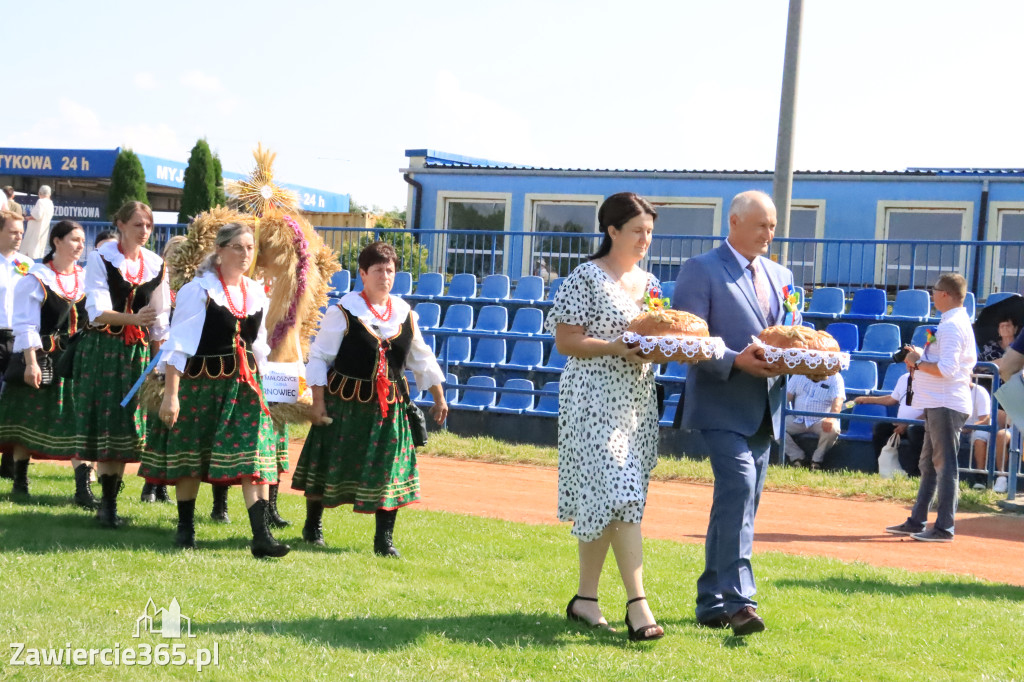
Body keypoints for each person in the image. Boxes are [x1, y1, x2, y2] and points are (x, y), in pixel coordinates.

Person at [673, 190, 799, 636]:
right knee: (740, 488)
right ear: (735, 222)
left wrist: (803, 360)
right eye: (762, 225)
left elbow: (789, 334)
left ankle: (711, 602)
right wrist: (734, 359)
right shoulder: (701, 269)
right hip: (719, 402)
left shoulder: (781, 274)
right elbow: (689, 340)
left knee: (741, 503)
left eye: (773, 225)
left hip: (766, 408)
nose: (770, 233)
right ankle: (740, 600)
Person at [546, 192, 664, 642]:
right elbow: (566, 341)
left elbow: (656, 334)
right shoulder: (585, 277)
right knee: (623, 491)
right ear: (612, 230)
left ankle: (585, 600)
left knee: (606, 499)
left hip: (636, 402)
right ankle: (639, 605)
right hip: (592, 399)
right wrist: (616, 346)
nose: (645, 239)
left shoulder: (650, 283)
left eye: (649, 232)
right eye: (637, 231)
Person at [139, 223, 290, 559]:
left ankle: (261, 537)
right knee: (192, 457)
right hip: (203, 387)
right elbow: (178, 347)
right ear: (219, 251)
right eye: (237, 247)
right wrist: (171, 395)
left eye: (250, 248)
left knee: (255, 457)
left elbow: (259, 347)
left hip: (247, 389)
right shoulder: (199, 290)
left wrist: (269, 389)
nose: (245, 254)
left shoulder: (254, 291)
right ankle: (185, 528)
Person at [292, 241, 447, 557]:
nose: (385, 276)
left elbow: (422, 358)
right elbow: (319, 358)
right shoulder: (343, 312)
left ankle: (384, 541)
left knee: (389, 469)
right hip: (343, 404)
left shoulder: (405, 313)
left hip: (390, 408)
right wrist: (317, 402)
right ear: (362, 273)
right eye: (378, 270)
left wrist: (439, 397)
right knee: (329, 462)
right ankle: (313, 526)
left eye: (390, 270)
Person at [71, 201, 170, 528]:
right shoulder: (101, 258)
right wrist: (133, 318)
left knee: (129, 426)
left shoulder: (156, 264)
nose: (144, 231)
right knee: (109, 423)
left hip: (137, 354)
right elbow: (96, 311)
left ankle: (110, 503)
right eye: (138, 225)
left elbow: (159, 319)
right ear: (121, 225)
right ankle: (108, 506)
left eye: (149, 226)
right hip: (105, 349)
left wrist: (160, 362)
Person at [0, 220, 96, 507]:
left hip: (76, 360)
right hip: (43, 357)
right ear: (56, 241)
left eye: (82, 240)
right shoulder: (36, 277)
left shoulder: (85, 278)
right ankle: (20, 480)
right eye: (74, 239)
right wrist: (31, 363)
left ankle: (83, 490)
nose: (80, 245)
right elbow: (26, 325)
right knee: (27, 419)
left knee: (80, 420)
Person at [885, 273, 977, 542]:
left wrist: (917, 362)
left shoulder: (951, 326)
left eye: (935, 290)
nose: (932, 294)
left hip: (946, 404)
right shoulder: (949, 322)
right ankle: (917, 520)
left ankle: (943, 527)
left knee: (944, 465)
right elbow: (941, 360)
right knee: (928, 463)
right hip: (938, 403)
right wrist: (919, 356)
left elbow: (947, 369)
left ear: (945, 294)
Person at [139, 235, 187, 506]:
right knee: (157, 426)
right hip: (158, 359)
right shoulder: (160, 287)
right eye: (173, 254)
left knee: (173, 427)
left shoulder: (192, 289)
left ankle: (165, 485)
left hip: (179, 365)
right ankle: (150, 485)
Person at [0, 211, 32, 480]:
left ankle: (9, 463)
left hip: (18, 339)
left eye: (21, 232)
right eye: (13, 231)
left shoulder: (27, 264)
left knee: (13, 400)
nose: (19, 236)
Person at [853, 372, 925, 476]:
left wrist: (908, 424)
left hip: (922, 425)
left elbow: (932, 410)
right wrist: (866, 399)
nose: (908, 365)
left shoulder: (932, 380)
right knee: (880, 428)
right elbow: (892, 399)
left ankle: (916, 473)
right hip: (901, 424)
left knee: (914, 430)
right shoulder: (904, 378)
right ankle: (881, 469)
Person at [784, 373, 845, 470]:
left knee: (834, 429)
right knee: (772, 425)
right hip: (798, 419)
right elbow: (786, 396)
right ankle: (798, 457)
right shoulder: (798, 374)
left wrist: (831, 418)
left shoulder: (835, 377)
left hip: (821, 420)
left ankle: (816, 461)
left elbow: (838, 399)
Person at [22, 185, 54, 260]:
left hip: (35, 230)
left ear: (40, 193)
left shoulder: (40, 201)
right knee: (39, 250)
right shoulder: (50, 203)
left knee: (30, 250)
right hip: (43, 230)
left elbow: (38, 216)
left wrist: (28, 218)